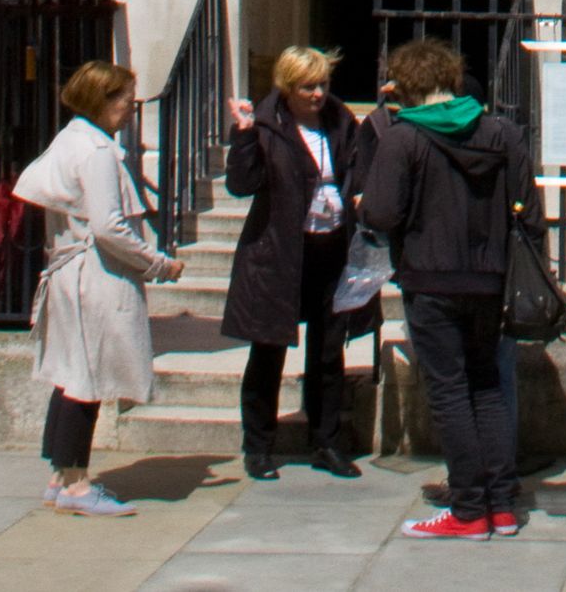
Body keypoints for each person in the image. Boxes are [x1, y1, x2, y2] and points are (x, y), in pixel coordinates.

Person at [357, 37, 543, 543]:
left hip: (431, 277)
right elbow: (532, 211)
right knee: (486, 385)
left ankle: (467, 508)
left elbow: (381, 213)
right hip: (490, 280)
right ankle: (501, 504)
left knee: (449, 392)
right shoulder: (502, 133)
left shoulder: (403, 138)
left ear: (405, 87)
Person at [14, 59, 184, 516]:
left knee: (72, 374)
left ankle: (59, 476)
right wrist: (158, 264)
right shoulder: (97, 152)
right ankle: (75, 485)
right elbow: (109, 227)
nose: (131, 110)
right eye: (126, 101)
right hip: (94, 274)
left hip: (71, 272)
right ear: (103, 101)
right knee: (85, 380)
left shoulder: (70, 139)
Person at [223, 47, 374, 480]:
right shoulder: (268, 126)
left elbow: (359, 172)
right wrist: (245, 136)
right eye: (308, 86)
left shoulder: (341, 123)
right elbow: (242, 184)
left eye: (323, 84)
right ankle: (259, 446)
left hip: (331, 248)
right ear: (288, 87)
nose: (317, 94)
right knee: (268, 350)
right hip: (279, 252)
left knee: (328, 351)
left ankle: (325, 442)